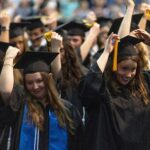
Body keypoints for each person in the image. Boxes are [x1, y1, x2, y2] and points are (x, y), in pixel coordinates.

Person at [0, 48, 83, 150]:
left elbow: (79, 143)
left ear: (49, 78)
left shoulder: (68, 109)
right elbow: (5, 91)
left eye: (39, 81)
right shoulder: (21, 105)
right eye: (30, 83)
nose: (35, 87)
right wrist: (8, 59)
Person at [79, 33, 150, 150]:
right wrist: (107, 52)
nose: (128, 75)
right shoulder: (103, 90)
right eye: (124, 68)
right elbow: (89, 85)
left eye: (133, 69)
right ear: (113, 66)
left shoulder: (144, 85)